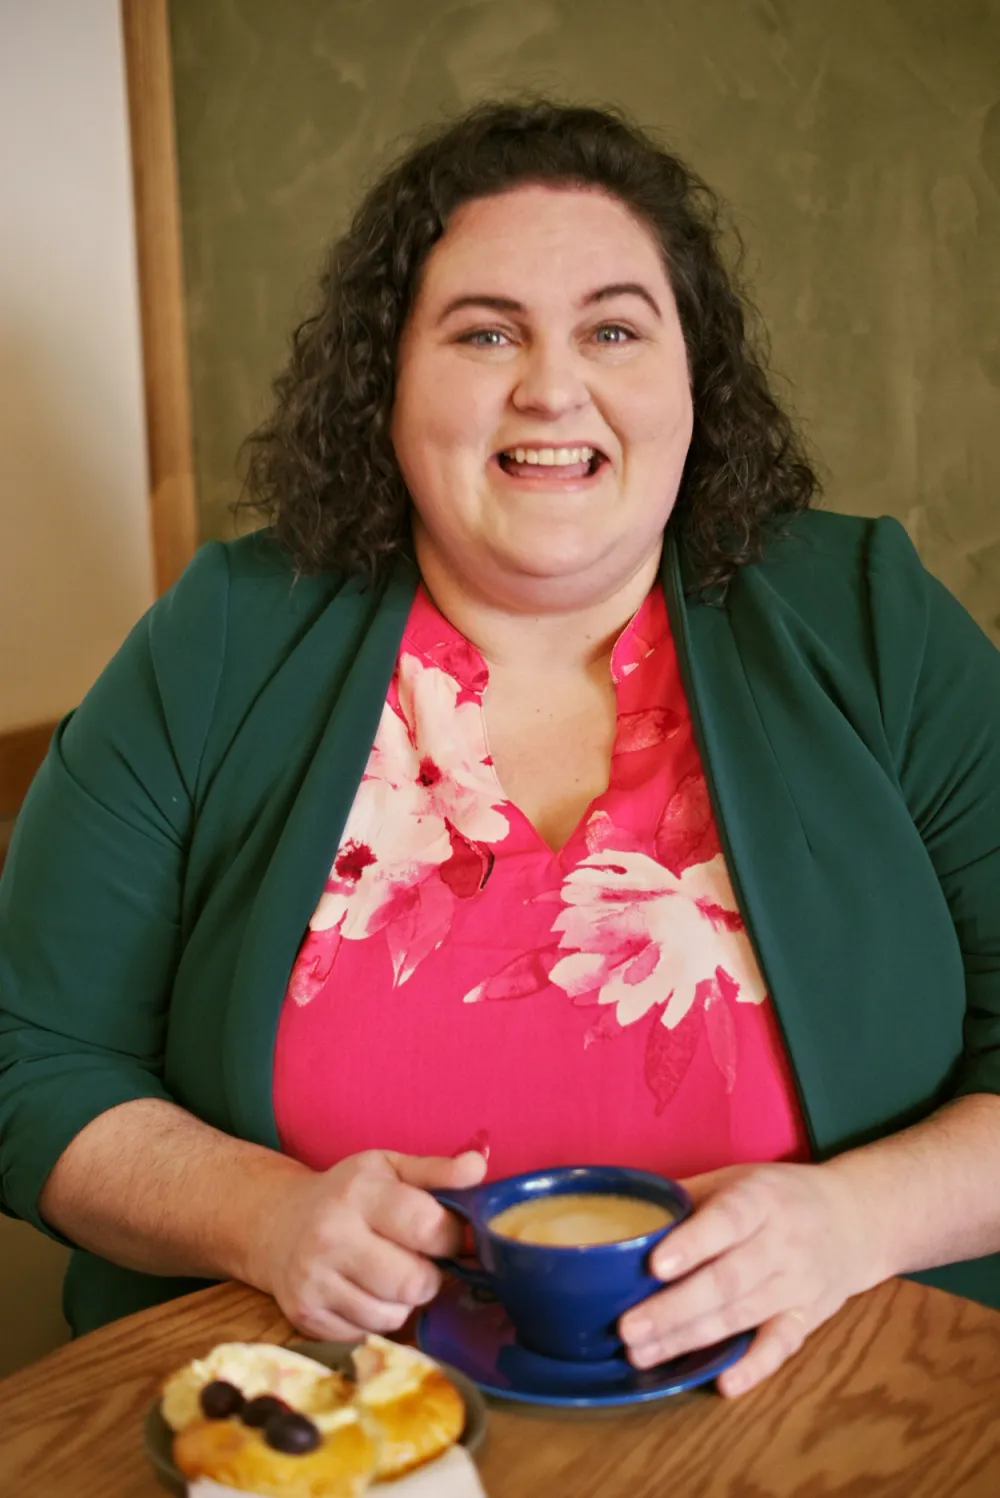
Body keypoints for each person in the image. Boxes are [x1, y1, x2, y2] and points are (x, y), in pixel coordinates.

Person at [1, 100, 998, 1400]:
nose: (552, 383)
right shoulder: (224, 638)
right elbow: (31, 1052)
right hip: (325, 1439)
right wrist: (258, 1213)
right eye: (485, 332)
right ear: (389, 383)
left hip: (826, 1422)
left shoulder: (873, 618)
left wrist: (858, 1218)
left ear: (693, 378)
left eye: (613, 328)